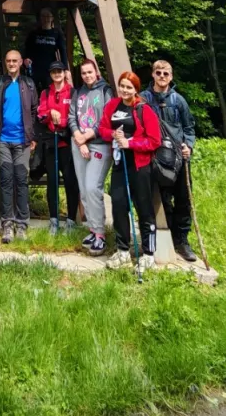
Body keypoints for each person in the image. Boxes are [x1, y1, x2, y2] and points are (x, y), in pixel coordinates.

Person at [99, 71, 161, 269]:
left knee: (144, 208)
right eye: (122, 86)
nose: (124, 90)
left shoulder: (144, 110)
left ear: (135, 89)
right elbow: (102, 128)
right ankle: (123, 250)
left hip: (139, 166)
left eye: (129, 87)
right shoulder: (112, 105)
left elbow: (154, 141)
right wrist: (113, 134)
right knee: (118, 206)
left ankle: (149, 253)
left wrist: (130, 143)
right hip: (120, 164)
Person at [141, 60, 197, 262]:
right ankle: (163, 237)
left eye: (166, 73)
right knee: (162, 199)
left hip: (178, 157)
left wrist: (188, 146)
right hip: (156, 158)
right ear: (153, 75)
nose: (162, 76)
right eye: (158, 72)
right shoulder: (143, 99)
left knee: (184, 199)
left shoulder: (178, 101)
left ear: (171, 76)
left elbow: (189, 128)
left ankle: (181, 240)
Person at [0, 49, 38, 243]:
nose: (12, 64)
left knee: (21, 180)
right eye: (8, 61)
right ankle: (7, 223)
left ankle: (22, 223)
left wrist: (33, 136)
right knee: (6, 180)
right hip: (3, 141)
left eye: (15, 61)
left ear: (21, 62)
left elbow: (34, 111)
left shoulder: (29, 84)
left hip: (22, 142)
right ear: (5, 63)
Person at [69, 59, 113, 255]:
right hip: (79, 143)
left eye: (89, 72)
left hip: (99, 144)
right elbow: (72, 116)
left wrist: (89, 135)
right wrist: (78, 137)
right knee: (83, 189)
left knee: (92, 187)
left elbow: (108, 118)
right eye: (84, 73)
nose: (87, 76)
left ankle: (101, 234)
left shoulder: (106, 92)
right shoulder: (78, 92)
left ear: (97, 72)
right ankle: (93, 229)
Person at [37, 61, 79, 235]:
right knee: (52, 182)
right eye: (54, 71)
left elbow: (76, 114)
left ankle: (70, 220)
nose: (57, 74)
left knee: (71, 181)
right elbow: (41, 113)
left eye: (59, 71)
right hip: (51, 142)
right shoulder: (46, 92)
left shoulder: (73, 92)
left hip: (68, 143)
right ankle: (53, 220)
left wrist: (61, 120)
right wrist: (49, 115)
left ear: (64, 73)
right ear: (51, 74)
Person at [23, 6, 69, 90]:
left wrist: (65, 69)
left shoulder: (57, 33)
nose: (45, 18)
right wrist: (26, 59)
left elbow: (62, 51)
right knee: (32, 92)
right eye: (43, 16)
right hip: (35, 69)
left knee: (49, 91)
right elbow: (27, 49)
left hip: (50, 70)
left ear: (52, 18)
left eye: (48, 16)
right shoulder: (33, 33)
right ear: (40, 18)